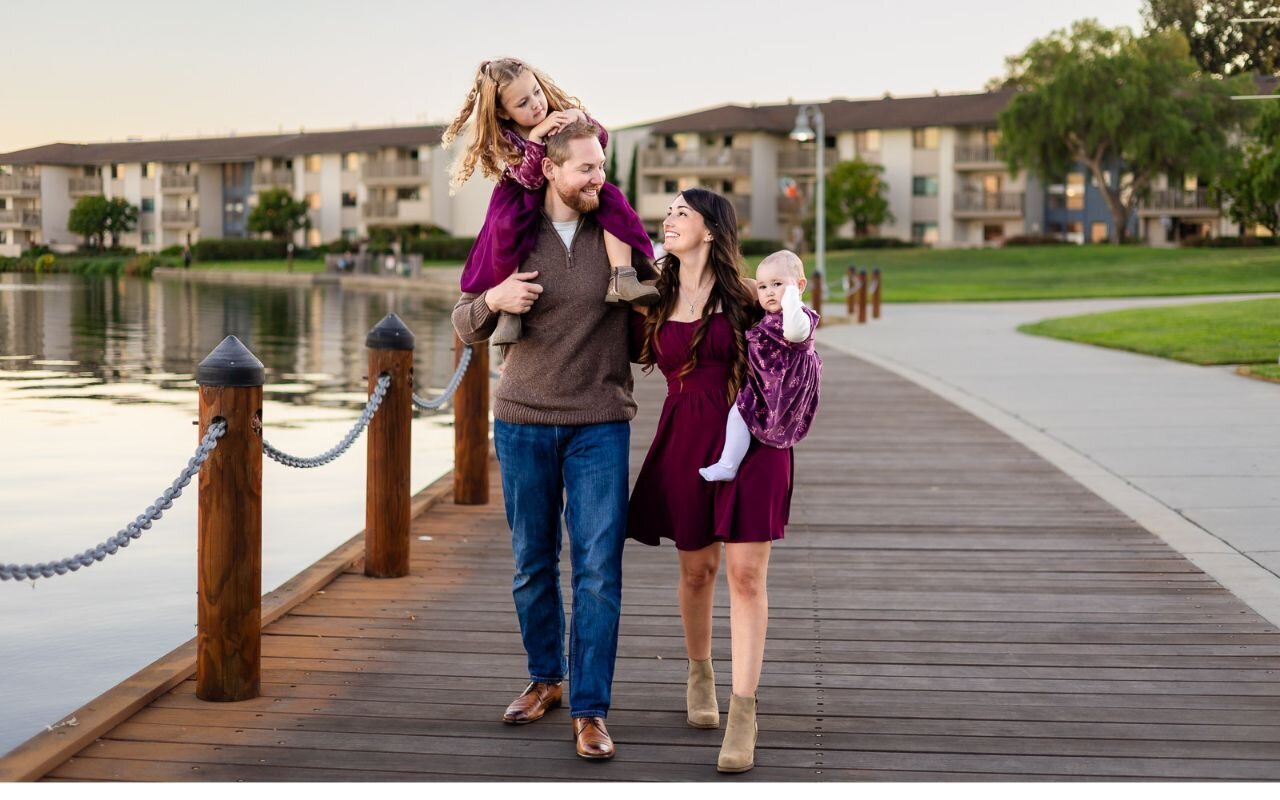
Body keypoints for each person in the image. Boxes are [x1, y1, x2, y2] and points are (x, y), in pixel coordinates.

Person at [452, 119, 655, 761]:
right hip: (522, 423)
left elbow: (657, 307)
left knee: (598, 570)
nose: (600, 179)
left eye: (602, 167)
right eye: (586, 169)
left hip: (600, 421)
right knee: (531, 563)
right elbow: (463, 321)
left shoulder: (616, 234)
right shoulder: (513, 233)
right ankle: (546, 679)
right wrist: (495, 297)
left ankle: (591, 711)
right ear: (550, 170)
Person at [628, 188, 796, 773]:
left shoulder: (750, 298)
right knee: (697, 570)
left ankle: (744, 712)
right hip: (685, 437)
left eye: (681, 212)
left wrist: (792, 305)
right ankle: (699, 675)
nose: (668, 219)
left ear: (709, 229)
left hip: (753, 442)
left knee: (747, 576)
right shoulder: (656, 296)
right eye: (667, 212)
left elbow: (797, 344)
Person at [443, 57, 657, 346]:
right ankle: (510, 310)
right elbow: (531, 180)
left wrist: (582, 119)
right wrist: (535, 138)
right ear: (503, 112)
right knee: (505, 228)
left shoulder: (559, 115)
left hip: (604, 388)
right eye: (522, 103)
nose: (535, 104)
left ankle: (622, 276)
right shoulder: (508, 138)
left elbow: (598, 139)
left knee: (615, 201)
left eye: (536, 92)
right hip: (520, 196)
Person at [699, 250, 822, 482]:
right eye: (763, 287)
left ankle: (728, 464)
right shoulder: (768, 314)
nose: (769, 292)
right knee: (739, 415)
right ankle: (728, 464)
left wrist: (793, 298)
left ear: (800, 285)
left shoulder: (800, 316)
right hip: (764, 380)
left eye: (777, 284)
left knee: (748, 415)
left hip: (786, 384)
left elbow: (794, 333)